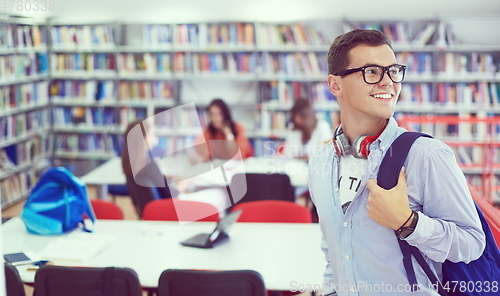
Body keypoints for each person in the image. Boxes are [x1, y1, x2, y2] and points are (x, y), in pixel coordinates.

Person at [308, 29, 485, 296]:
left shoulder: (427, 155)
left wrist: (408, 222)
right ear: (336, 85)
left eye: (393, 71)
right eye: (371, 72)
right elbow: (333, 251)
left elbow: (472, 243)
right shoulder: (321, 162)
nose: (388, 82)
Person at [193, 98, 253, 163]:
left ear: (225, 114)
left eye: (219, 114)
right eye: (212, 114)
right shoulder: (209, 131)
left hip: (240, 166)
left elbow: (239, 156)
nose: (216, 118)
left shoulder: (238, 128)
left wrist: (228, 134)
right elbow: (200, 148)